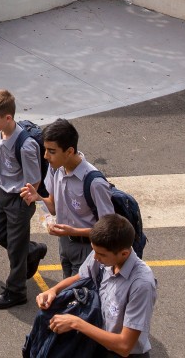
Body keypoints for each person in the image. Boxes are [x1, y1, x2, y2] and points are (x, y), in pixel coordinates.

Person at [35, 214, 156, 357]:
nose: (95, 257)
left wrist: (76, 323)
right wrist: (54, 290)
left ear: (124, 253)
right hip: (97, 345)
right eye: (94, 250)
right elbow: (81, 277)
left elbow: (125, 346)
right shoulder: (103, 255)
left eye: (101, 254)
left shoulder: (141, 284)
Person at [0, 89, 46, 310]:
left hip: (17, 198)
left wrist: (24, 202)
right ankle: (31, 250)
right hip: (0, 192)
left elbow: (34, 180)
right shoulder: (0, 133)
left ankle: (16, 290)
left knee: (16, 248)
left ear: (8, 118)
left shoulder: (26, 145)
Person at [34, 118, 117, 277]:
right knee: (69, 293)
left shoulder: (94, 183)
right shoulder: (56, 169)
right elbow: (52, 206)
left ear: (69, 151)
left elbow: (109, 231)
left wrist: (74, 231)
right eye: (45, 150)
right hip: (65, 244)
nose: (45, 156)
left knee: (78, 297)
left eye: (52, 151)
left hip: (88, 249)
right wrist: (37, 197)